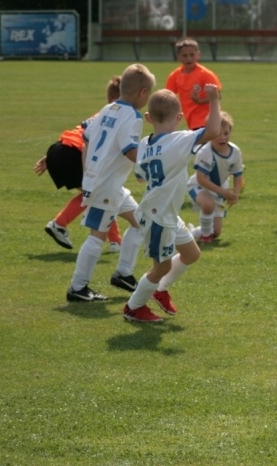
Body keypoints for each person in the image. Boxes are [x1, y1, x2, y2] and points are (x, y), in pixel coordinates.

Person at [123, 86, 221, 323]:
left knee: (191, 253)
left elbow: (140, 177)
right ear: (179, 117)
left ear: (148, 118)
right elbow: (214, 130)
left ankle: (160, 290)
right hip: (158, 217)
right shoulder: (180, 140)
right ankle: (133, 307)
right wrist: (214, 100)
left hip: (164, 212)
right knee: (161, 267)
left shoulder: (145, 144)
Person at [66, 63, 156, 302]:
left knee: (140, 223)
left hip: (109, 183)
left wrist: (89, 172)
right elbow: (130, 151)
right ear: (143, 93)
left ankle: (124, 273)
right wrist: (152, 164)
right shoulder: (133, 117)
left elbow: (85, 137)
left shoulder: (107, 108)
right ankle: (77, 287)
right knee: (98, 235)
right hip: (107, 185)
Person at [35, 75, 124, 252]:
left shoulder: (103, 113)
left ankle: (116, 242)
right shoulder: (118, 116)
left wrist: (50, 158)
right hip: (74, 154)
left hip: (59, 149)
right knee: (94, 193)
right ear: (116, 99)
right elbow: (88, 141)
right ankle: (59, 224)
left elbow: (80, 133)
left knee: (101, 195)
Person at [186, 111, 245, 243]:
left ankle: (191, 233)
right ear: (210, 134)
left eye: (226, 133)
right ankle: (205, 237)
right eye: (217, 134)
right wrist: (223, 192)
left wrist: (235, 193)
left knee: (216, 232)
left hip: (218, 191)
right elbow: (201, 179)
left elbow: (237, 175)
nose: (222, 137)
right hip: (198, 186)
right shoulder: (205, 152)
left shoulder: (235, 151)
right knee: (208, 205)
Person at [165, 37, 223, 129]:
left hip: (206, 120)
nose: (189, 58)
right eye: (185, 55)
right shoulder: (175, 76)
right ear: (178, 57)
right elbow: (167, 96)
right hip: (190, 120)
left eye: (192, 55)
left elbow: (218, 95)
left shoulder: (205, 74)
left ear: (198, 55)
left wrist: (200, 101)